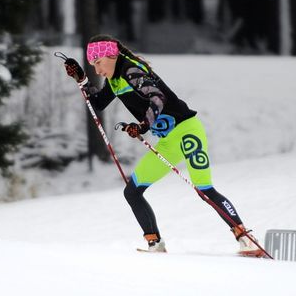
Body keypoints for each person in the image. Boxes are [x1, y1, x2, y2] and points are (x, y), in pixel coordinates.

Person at [63, 34, 263, 256]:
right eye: (93, 66)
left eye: (98, 63)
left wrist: (142, 126)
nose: (98, 70)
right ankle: (155, 244)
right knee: (133, 192)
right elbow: (99, 103)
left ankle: (246, 238)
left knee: (204, 189)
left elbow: (157, 98)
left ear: (110, 55)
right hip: (168, 141)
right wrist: (82, 80)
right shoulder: (115, 80)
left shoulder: (131, 71)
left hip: (187, 131)